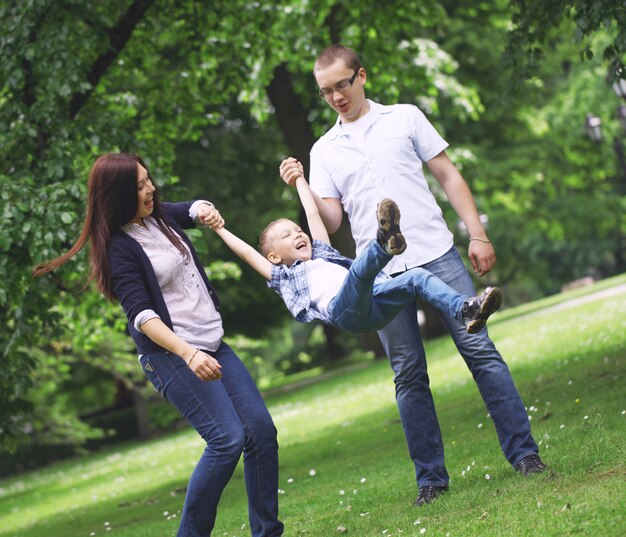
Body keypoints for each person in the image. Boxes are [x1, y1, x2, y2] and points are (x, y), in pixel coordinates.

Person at [279, 44, 546, 506]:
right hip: (381, 272)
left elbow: (448, 174)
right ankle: (431, 482)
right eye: (326, 92)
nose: (337, 97)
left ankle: (524, 455)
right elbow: (331, 223)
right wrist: (301, 183)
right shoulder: (323, 150)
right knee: (407, 374)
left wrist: (477, 234)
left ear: (361, 76)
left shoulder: (404, 116)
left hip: (435, 251)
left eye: (343, 84)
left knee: (480, 350)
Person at [33, 153, 284, 537]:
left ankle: (267, 532)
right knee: (226, 439)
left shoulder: (157, 216)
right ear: (117, 194)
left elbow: (189, 209)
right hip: (171, 357)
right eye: (138, 186)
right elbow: (141, 316)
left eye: (148, 180)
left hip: (214, 344)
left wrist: (204, 210)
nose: (150, 190)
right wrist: (188, 352)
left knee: (261, 433)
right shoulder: (119, 248)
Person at [211, 173, 503, 336]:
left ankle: (466, 309)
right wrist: (220, 227)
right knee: (359, 274)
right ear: (275, 257)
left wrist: (299, 179)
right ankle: (384, 243)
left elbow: (312, 213)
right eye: (287, 236)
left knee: (416, 277)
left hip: (376, 305)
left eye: (297, 230)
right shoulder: (284, 276)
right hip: (345, 310)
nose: (299, 234)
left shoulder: (322, 254)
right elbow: (249, 253)